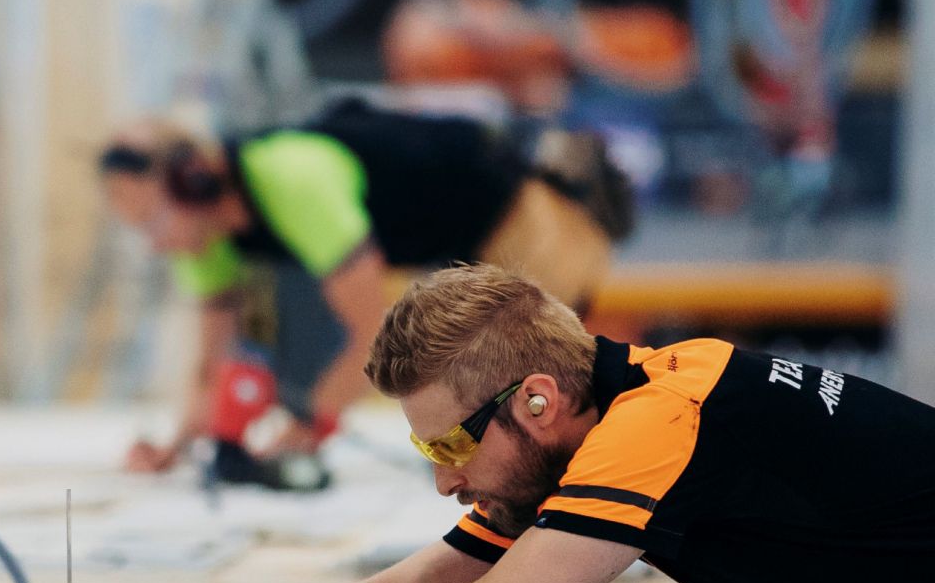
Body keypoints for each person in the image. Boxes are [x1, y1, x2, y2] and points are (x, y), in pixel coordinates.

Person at [73, 263, 935, 583]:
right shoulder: (611, 416)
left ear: (536, 400)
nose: (445, 479)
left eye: (449, 444)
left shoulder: (657, 424)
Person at [100, 100, 632, 486]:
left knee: (536, 403)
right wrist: (179, 445)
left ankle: (602, 499)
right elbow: (211, 363)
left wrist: (311, 425)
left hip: (533, 218)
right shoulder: (207, 233)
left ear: (195, 180)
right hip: (466, 238)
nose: (152, 243)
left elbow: (371, 334)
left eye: (150, 220)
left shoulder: (292, 176)